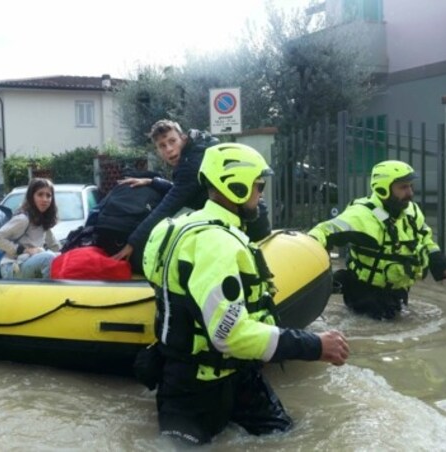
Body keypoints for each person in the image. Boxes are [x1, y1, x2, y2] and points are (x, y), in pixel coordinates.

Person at [142, 143, 349, 445]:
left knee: (290, 438)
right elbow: (228, 334)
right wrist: (314, 345)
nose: (261, 194)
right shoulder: (217, 244)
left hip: (236, 374)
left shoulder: (175, 228)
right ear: (235, 186)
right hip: (196, 389)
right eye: (258, 185)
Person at [308, 160, 446, 320]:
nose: (410, 193)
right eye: (403, 187)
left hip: (397, 292)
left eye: (410, 186)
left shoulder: (411, 211)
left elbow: (425, 239)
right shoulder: (361, 215)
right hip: (364, 296)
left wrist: (443, 266)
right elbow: (323, 231)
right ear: (383, 189)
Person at [112, 119, 271, 270]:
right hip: (251, 220)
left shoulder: (191, 163)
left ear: (183, 138)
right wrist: (153, 181)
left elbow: (167, 207)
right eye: (162, 146)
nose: (169, 149)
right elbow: (183, 191)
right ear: (158, 151)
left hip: (249, 228)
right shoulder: (196, 150)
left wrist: (132, 243)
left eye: (172, 141)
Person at [0, 178, 61, 279]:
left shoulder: (43, 219)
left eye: (48, 195)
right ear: (31, 197)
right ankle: (49, 293)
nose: (45, 199)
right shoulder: (23, 219)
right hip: (12, 267)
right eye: (40, 194)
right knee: (48, 258)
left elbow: (55, 246)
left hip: (27, 264)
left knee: (59, 257)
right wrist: (25, 250)